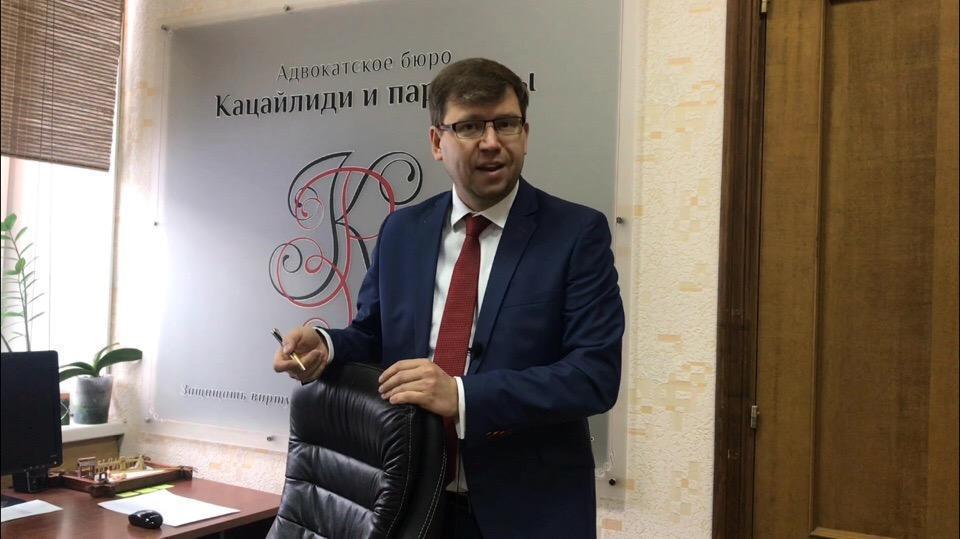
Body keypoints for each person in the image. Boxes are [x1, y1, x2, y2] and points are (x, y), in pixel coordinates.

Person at [273, 57, 624, 538]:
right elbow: (374, 334)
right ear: (437, 142)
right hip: (410, 498)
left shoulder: (576, 234)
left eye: (506, 124)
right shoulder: (402, 231)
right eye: (470, 126)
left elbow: (593, 376)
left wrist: (461, 396)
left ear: (525, 133)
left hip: (528, 511)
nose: (492, 142)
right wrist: (326, 346)